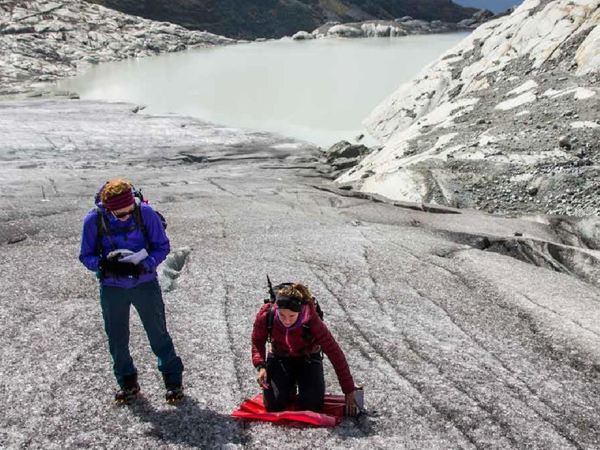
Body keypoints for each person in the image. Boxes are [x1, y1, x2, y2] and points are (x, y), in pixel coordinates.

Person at [79, 179, 184, 404]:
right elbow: (85, 255)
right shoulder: (93, 221)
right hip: (112, 288)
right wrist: (104, 265)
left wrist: (144, 265)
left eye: (129, 211)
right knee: (117, 338)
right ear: (107, 208)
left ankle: (173, 381)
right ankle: (127, 382)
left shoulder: (145, 213)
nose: (126, 216)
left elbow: (162, 246)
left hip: (144, 283)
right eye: (120, 214)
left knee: (158, 333)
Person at [251, 282, 360, 416]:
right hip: (280, 357)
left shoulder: (311, 319)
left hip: (307, 358)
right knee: (274, 405)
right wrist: (261, 366)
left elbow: (334, 352)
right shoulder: (267, 315)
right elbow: (257, 340)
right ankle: (287, 384)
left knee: (312, 406)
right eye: (282, 315)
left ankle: (298, 382)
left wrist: (348, 390)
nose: (286, 321)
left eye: (291, 316)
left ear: (300, 311)